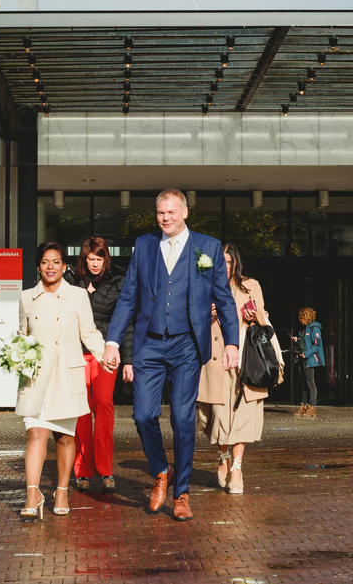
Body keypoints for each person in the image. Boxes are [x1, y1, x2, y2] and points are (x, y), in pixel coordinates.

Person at [103, 188, 239, 521]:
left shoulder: (206, 247)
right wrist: (112, 341)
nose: (166, 218)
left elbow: (223, 299)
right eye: (161, 212)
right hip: (149, 343)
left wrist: (233, 342)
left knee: (182, 419)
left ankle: (181, 492)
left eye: (172, 212)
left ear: (185, 212)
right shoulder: (145, 245)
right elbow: (128, 298)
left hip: (187, 345)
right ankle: (160, 470)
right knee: (143, 415)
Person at [16, 241, 106, 520]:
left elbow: (88, 333)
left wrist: (105, 356)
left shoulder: (78, 296)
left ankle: (62, 490)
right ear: (39, 266)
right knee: (35, 433)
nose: (50, 267)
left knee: (65, 437)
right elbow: (23, 335)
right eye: (45, 262)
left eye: (55, 262)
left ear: (64, 266)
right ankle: (33, 493)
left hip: (65, 375)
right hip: (36, 377)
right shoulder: (26, 297)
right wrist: (18, 355)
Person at [196, 243, 283, 494]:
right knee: (218, 416)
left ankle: (237, 468)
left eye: (229, 261)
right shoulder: (204, 286)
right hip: (215, 360)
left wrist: (253, 315)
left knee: (244, 414)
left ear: (236, 263)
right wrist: (205, 314)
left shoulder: (250, 286)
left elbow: (264, 317)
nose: (225, 266)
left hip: (246, 359)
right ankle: (223, 458)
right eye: (220, 261)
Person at [65, 235, 129, 492]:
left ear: (106, 258)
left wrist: (129, 359)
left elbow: (127, 321)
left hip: (104, 353)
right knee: (81, 411)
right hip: (76, 353)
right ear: (84, 258)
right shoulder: (71, 280)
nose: (95, 264)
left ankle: (105, 471)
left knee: (103, 406)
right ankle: (82, 471)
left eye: (99, 259)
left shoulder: (118, 281)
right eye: (91, 259)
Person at [291, 306, 324, 418]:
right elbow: (306, 341)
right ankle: (304, 407)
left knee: (310, 383)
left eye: (301, 318)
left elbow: (317, 346)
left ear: (307, 317)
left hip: (308, 359)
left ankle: (312, 408)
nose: (300, 320)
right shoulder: (305, 328)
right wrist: (298, 339)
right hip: (302, 358)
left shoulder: (314, 328)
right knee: (304, 383)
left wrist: (306, 354)